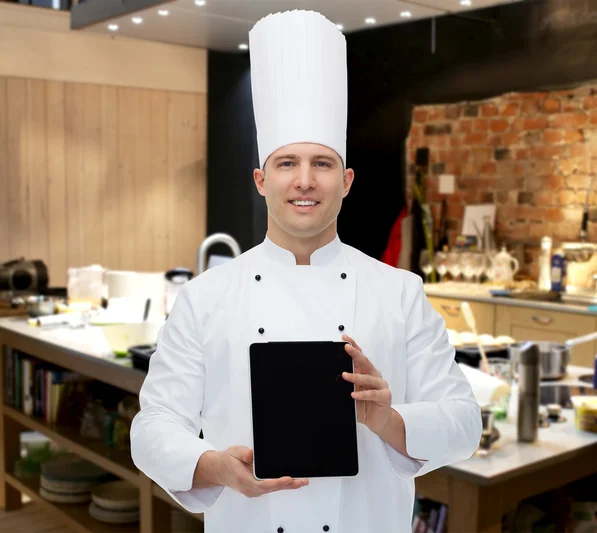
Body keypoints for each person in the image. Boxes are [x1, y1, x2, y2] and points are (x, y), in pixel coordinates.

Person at [130, 9, 482, 533]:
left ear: (347, 180)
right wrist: (215, 466)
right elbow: (152, 427)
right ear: (260, 180)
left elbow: (464, 423)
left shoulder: (400, 292)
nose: (304, 181)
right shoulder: (205, 297)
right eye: (286, 163)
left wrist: (389, 418)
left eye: (321, 163)